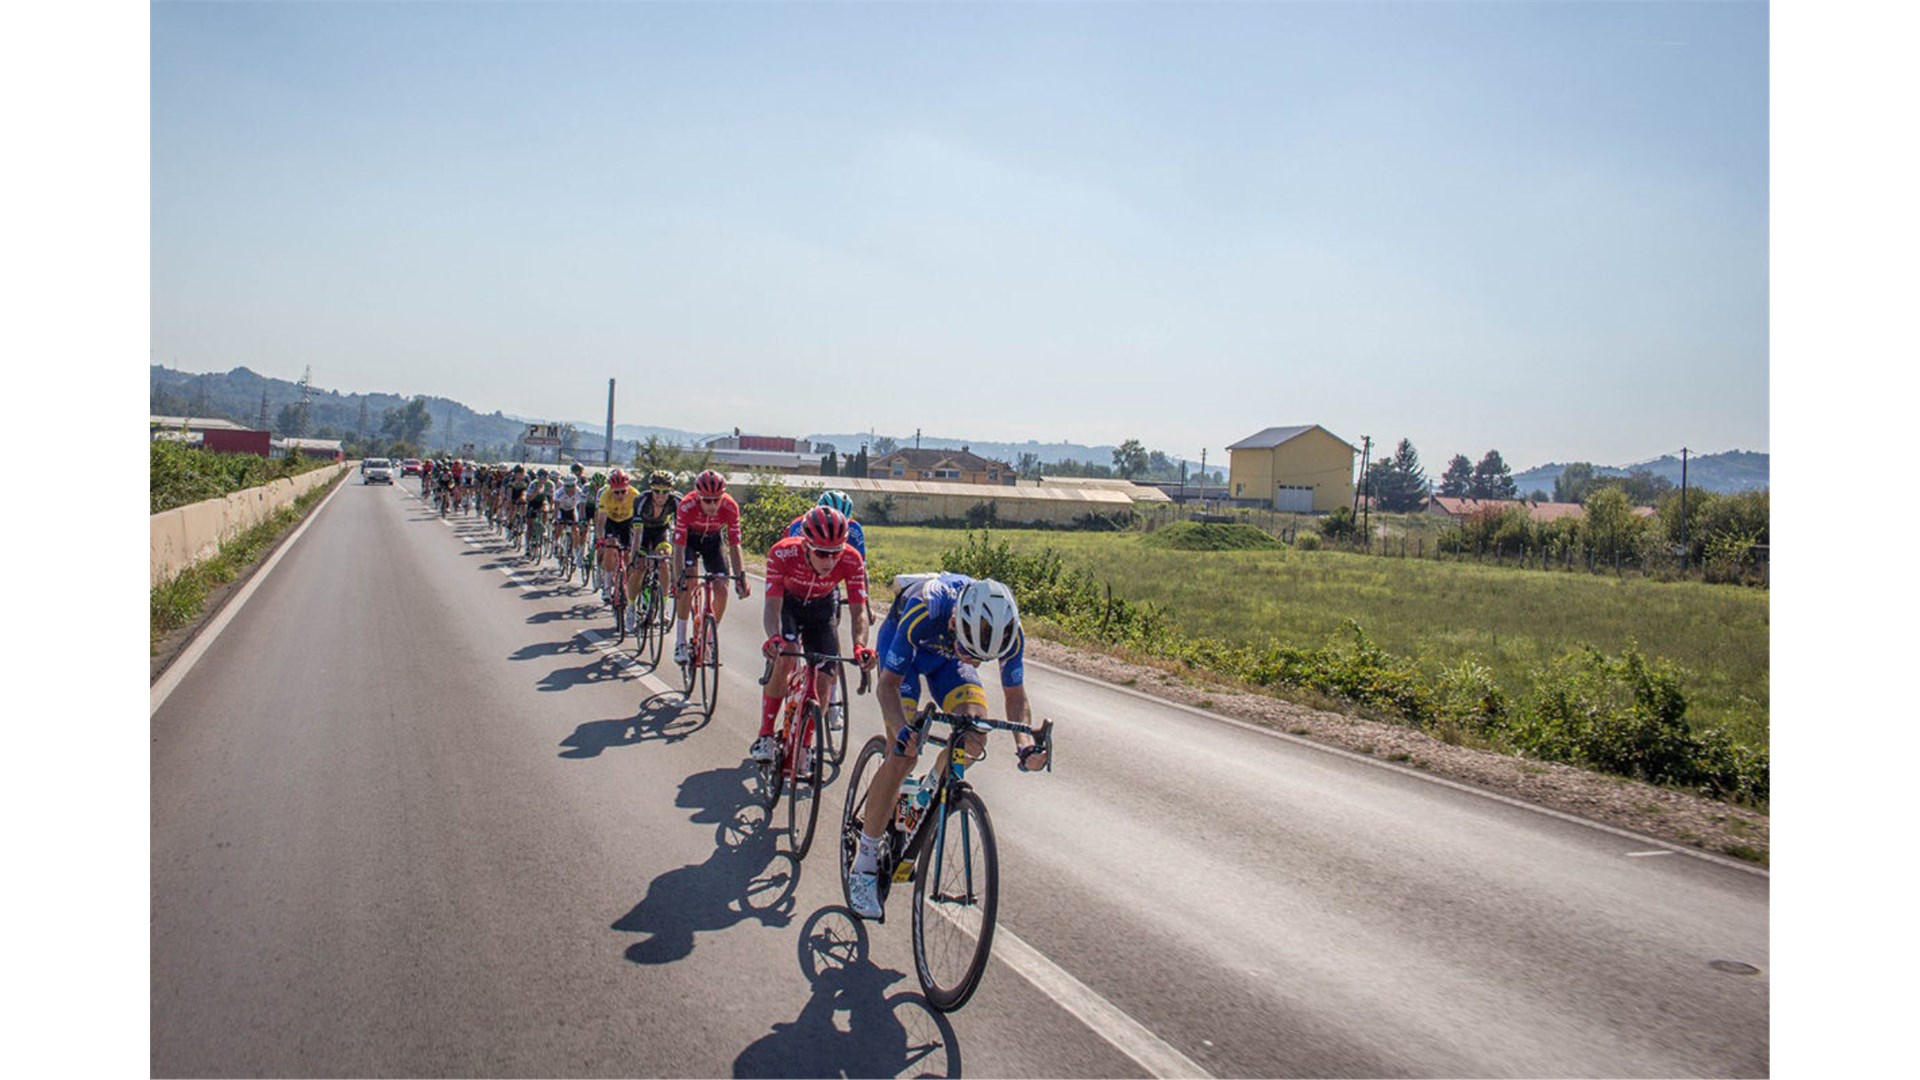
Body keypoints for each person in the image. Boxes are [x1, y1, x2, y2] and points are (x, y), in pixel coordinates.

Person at [846, 574, 1049, 921]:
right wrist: (902, 731)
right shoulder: (927, 608)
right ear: (956, 622)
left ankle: (925, 792)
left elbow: (1015, 697)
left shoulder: (1008, 634)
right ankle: (863, 865)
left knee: (974, 731)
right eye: (970, 652)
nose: (975, 662)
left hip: (947, 664)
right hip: (905, 653)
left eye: (982, 659)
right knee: (902, 752)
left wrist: (1025, 744)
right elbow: (887, 688)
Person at [755, 507, 876, 765]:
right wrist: (774, 638)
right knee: (785, 656)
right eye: (822, 553)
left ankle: (804, 744)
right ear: (806, 546)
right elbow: (772, 606)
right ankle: (765, 734)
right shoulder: (783, 552)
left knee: (825, 677)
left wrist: (860, 646)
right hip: (789, 605)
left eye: (835, 553)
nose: (829, 561)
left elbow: (859, 613)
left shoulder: (852, 560)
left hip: (822, 609)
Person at [671, 470, 750, 663]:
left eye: (717, 499)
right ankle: (680, 641)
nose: (713, 505)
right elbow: (679, 548)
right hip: (690, 540)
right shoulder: (686, 506)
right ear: (698, 497)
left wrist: (741, 577)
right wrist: (679, 577)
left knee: (722, 587)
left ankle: (710, 639)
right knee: (688, 582)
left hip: (714, 542)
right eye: (707, 500)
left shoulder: (730, 507)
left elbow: (734, 545)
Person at [631, 470, 680, 627]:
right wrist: (633, 559)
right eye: (656, 491)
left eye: (665, 492)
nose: (660, 495)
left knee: (664, 561)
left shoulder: (677, 501)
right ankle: (631, 608)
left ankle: (663, 607)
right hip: (643, 533)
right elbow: (637, 534)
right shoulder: (641, 501)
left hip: (661, 532)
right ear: (651, 489)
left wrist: (678, 561)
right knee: (639, 567)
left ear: (670, 491)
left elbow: (680, 533)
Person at [594, 469, 641, 617]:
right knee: (610, 546)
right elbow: (601, 520)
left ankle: (626, 585)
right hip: (612, 522)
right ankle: (607, 588)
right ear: (611, 490)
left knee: (628, 557)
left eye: (623, 491)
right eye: (616, 492)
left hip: (627, 523)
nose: (620, 495)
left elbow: (640, 521)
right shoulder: (605, 495)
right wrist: (600, 537)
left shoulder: (635, 495)